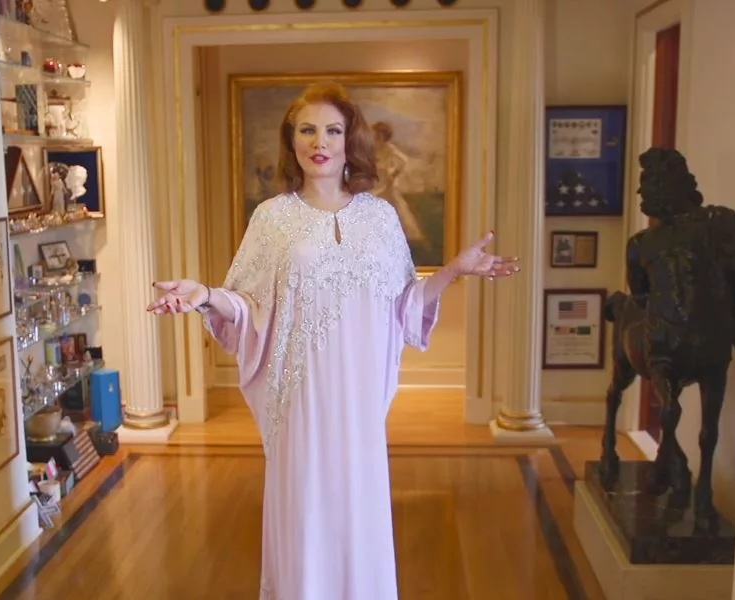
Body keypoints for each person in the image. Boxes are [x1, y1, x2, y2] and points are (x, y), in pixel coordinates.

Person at [147, 82, 520, 600]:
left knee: (358, 514)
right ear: (291, 140)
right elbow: (250, 307)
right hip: (300, 401)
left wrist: (453, 270)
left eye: (332, 130)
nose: (319, 141)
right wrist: (205, 295)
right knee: (305, 515)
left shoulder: (380, 217)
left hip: (359, 405)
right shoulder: (272, 218)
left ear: (350, 140)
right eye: (307, 130)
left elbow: (404, 306)